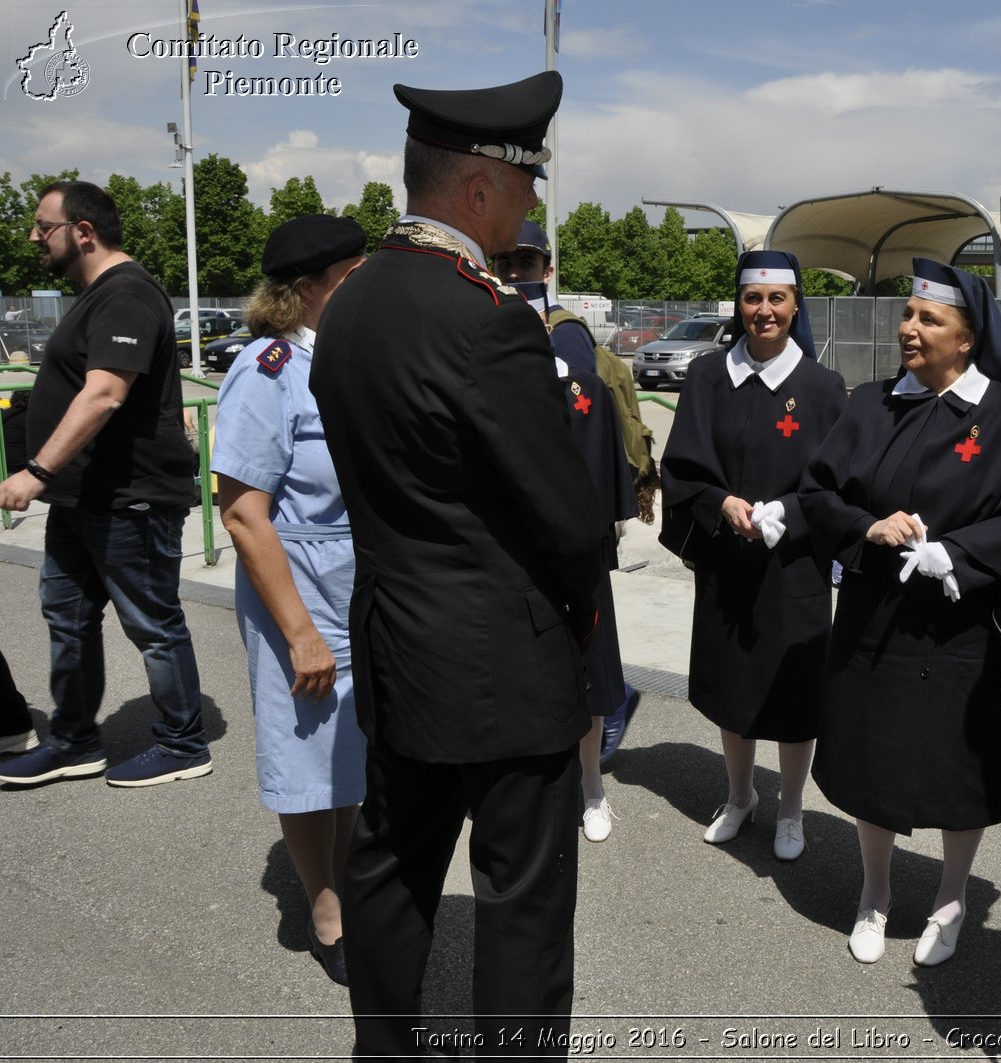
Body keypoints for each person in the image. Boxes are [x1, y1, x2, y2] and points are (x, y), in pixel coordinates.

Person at [307, 71, 606, 1057]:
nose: (531, 205)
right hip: (505, 664)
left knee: (391, 868)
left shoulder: (346, 308)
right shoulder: (484, 318)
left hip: (400, 646)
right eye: (526, 185)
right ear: (479, 187)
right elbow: (571, 520)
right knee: (520, 897)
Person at [800, 257, 1001, 967]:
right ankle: (874, 891)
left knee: (961, 766)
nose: (910, 329)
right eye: (908, 315)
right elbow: (818, 491)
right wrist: (867, 528)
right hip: (878, 623)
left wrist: (956, 553)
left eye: (930, 320)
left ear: (968, 338)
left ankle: (951, 898)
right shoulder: (870, 403)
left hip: (965, 632)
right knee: (873, 761)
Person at [0, 180, 211, 789]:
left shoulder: (127, 295)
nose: (35, 237)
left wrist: (37, 470)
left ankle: (183, 742)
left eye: (45, 226)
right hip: (82, 495)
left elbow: (104, 393)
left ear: (83, 232)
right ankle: (73, 743)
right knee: (66, 615)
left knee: (152, 622)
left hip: (129, 496)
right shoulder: (97, 296)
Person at [211, 214, 368, 987]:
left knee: (347, 754)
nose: (364, 288)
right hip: (297, 592)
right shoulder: (266, 369)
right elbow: (242, 509)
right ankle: (326, 905)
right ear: (305, 291)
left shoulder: (345, 360)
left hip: (353, 583)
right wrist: (301, 632)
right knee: (307, 758)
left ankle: (348, 872)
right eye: (350, 278)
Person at [659, 249, 846, 862]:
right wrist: (721, 505)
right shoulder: (709, 375)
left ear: (796, 305)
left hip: (794, 567)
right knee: (732, 687)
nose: (764, 312)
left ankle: (791, 808)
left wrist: (784, 514)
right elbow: (681, 468)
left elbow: (837, 485)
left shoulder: (822, 387)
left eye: (777, 299)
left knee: (793, 691)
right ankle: (741, 796)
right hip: (727, 561)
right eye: (752, 299)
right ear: (738, 305)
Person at [491, 220, 637, 843]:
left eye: (528, 263)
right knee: (513, 669)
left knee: (586, 665)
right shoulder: (485, 325)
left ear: (547, 269)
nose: (518, 272)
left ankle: (592, 787)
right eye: (508, 261)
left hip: (571, 535)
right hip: (507, 537)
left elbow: (591, 429)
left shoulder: (570, 337)